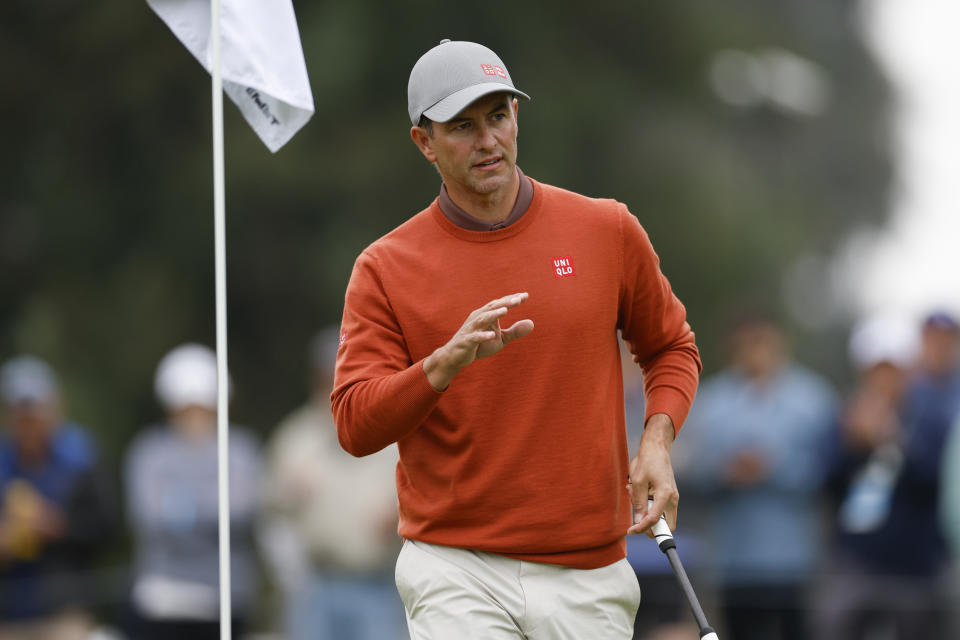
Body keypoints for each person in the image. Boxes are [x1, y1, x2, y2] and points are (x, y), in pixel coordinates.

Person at [331, 40, 701, 640]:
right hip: (455, 566)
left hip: (590, 567)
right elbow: (354, 423)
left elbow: (670, 347)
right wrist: (441, 365)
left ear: (516, 117)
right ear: (423, 142)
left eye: (498, 116)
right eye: (462, 126)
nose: (487, 140)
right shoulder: (385, 266)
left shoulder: (605, 229)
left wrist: (657, 440)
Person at [679, 314, 836, 640]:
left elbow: (829, 471)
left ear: (780, 342)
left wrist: (774, 468)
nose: (755, 351)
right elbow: (689, 470)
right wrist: (725, 472)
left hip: (793, 559)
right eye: (747, 344)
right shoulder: (710, 401)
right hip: (733, 560)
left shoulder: (814, 399)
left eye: (762, 341)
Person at [261, 328, 405, 640]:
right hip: (312, 586)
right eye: (329, 375)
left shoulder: (393, 435)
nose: (335, 384)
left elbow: (417, 498)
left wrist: (398, 514)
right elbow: (271, 516)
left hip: (377, 584)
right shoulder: (295, 438)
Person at [815, 314, 951, 640]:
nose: (883, 379)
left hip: (912, 569)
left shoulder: (931, 417)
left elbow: (934, 482)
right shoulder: (845, 417)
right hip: (855, 562)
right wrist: (852, 446)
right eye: (876, 370)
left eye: (892, 370)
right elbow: (825, 481)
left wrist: (892, 439)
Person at [124, 344, 262, 640]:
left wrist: (182, 504)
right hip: (162, 599)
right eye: (186, 408)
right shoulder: (149, 452)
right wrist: (211, 503)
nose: (195, 417)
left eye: (203, 407)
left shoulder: (240, 450)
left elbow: (240, 512)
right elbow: (151, 519)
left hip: (226, 598)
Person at [0, 355, 114, 640]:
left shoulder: (83, 456)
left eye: (35, 409)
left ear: (54, 406)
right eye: (21, 411)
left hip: (65, 611)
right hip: (7, 612)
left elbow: (107, 526)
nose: (29, 420)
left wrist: (58, 525)